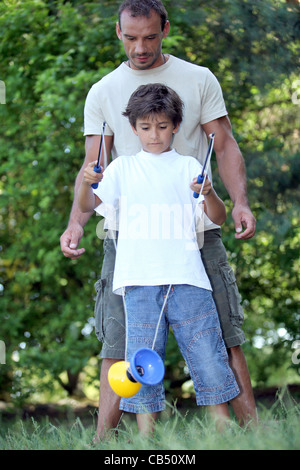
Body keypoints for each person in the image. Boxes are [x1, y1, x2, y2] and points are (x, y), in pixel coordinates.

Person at [60, 0, 257, 439]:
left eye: (150, 37)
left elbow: (223, 145)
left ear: (164, 29)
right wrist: (75, 222)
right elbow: (92, 167)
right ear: (118, 33)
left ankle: (253, 435)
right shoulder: (103, 91)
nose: (140, 47)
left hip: (194, 232)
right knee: (120, 341)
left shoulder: (198, 78)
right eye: (131, 38)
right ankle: (102, 441)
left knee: (222, 334)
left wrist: (239, 201)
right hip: (129, 241)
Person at [78, 83, 240, 435]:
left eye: (163, 127)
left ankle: (224, 434)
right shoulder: (120, 169)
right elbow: (88, 205)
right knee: (141, 364)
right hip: (137, 283)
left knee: (208, 357)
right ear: (133, 128)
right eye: (146, 128)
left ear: (176, 126)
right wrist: (88, 182)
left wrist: (209, 192)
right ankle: (146, 439)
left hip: (189, 280)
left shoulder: (190, 167)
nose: (155, 135)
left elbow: (218, 216)